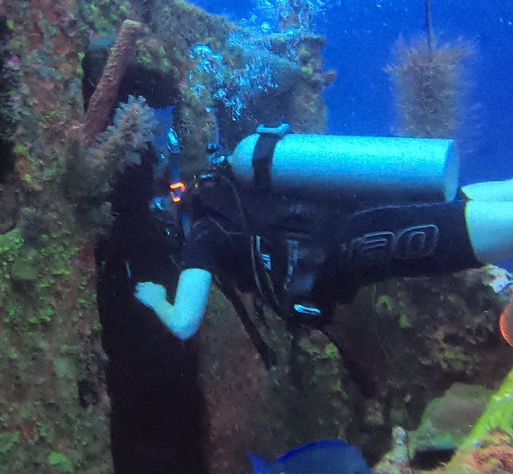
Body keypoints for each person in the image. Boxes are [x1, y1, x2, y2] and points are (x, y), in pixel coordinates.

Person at [136, 130, 513, 342]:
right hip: (352, 210)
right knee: (447, 206)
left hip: (347, 245)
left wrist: (156, 300)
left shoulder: (204, 234)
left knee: (443, 231)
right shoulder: (227, 187)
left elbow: (184, 323)